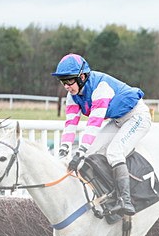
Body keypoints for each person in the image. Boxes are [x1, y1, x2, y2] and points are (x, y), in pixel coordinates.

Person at [52, 53, 151, 215]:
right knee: (91, 153)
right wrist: (64, 149)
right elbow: (70, 123)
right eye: (63, 81)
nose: (66, 86)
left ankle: (125, 200)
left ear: (82, 77)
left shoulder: (101, 88)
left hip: (137, 117)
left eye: (69, 80)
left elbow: (94, 123)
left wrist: (80, 151)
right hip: (118, 120)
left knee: (114, 152)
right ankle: (106, 193)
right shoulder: (73, 96)